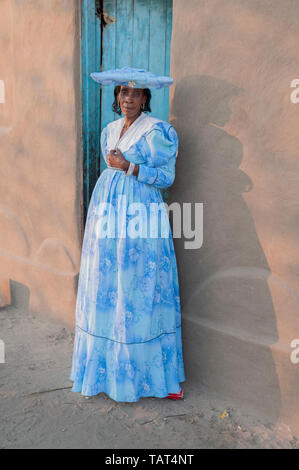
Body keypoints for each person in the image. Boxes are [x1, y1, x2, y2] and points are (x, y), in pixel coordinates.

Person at [69, 67, 185, 402]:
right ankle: (105, 368)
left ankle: (147, 376)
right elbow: (110, 166)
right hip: (107, 209)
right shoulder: (109, 131)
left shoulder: (159, 131)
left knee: (138, 281)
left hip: (140, 212)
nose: (127, 99)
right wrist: (116, 171)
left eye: (135, 94)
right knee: (108, 278)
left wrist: (130, 167)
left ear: (146, 98)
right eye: (123, 93)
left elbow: (166, 178)